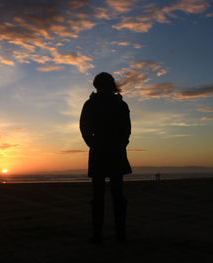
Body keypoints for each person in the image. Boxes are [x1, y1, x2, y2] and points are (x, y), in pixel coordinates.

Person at [80, 72, 132, 243]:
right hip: (106, 151)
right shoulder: (96, 104)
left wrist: (96, 144)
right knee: (106, 196)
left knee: (109, 196)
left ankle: (111, 234)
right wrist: (95, 144)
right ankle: (108, 234)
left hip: (107, 152)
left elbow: (126, 130)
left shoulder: (116, 104)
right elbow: (85, 128)